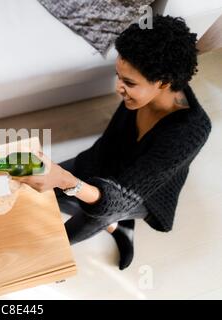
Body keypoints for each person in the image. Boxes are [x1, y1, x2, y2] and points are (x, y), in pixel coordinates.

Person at [16, 15, 212, 270]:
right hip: (106, 162)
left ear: (163, 83)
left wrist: (67, 181)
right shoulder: (140, 95)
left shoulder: (191, 131)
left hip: (142, 194)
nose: (118, 87)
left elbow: (122, 198)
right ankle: (118, 226)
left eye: (129, 82)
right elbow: (109, 143)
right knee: (44, 190)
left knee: (71, 229)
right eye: (118, 75)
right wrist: (65, 178)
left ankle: (116, 226)